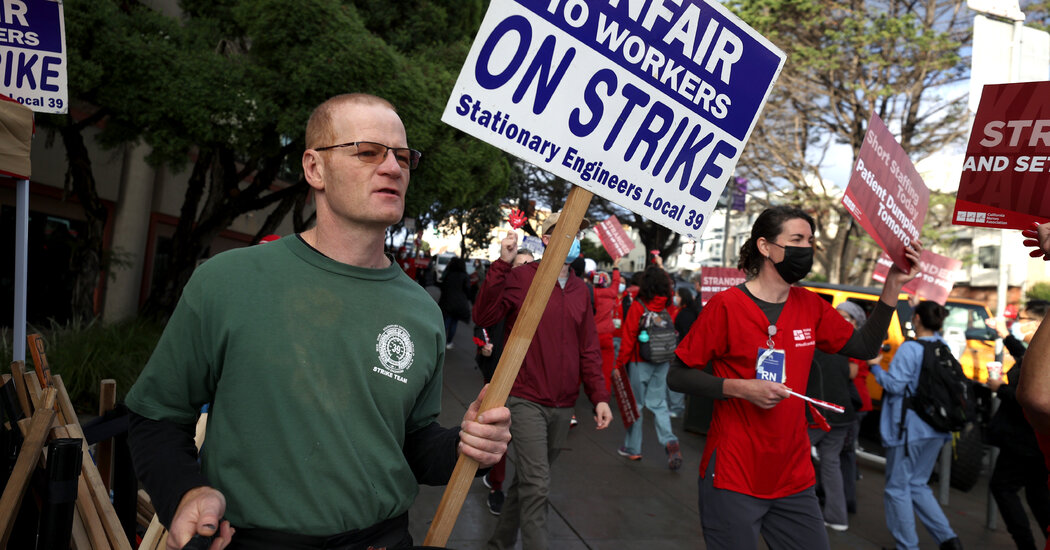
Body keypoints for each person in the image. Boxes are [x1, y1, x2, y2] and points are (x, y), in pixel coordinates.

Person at [124, 93, 511, 550]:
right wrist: (186, 494)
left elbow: (412, 445)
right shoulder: (227, 282)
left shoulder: (422, 311)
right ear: (314, 169)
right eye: (368, 151)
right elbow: (157, 415)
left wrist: (468, 447)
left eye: (403, 157)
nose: (393, 168)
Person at [668, 205, 921, 550]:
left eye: (811, 241)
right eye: (797, 239)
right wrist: (739, 388)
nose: (808, 248)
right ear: (765, 247)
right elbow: (678, 376)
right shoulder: (726, 306)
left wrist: (892, 285)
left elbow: (862, 346)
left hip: (794, 475)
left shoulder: (810, 304)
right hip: (734, 472)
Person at [473, 212, 613, 550]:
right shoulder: (522, 277)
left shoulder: (581, 290)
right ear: (548, 239)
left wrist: (599, 396)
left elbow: (589, 348)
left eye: (578, 234)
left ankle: (499, 543)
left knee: (528, 483)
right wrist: (501, 265)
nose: (575, 240)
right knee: (538, 486)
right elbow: (484, 316)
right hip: (525, 398)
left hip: (563, 406)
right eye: (568, 233)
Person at [870, 301, 963, 550]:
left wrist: (874, 367)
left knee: (897, 489)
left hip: (909, 429)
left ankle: (907, 547)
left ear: (917, 319)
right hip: (936, 427)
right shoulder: (943, 346)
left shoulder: (910, 348)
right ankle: (948, 539)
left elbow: (894, 386)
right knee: (918, 484)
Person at [474, 248, 534, 517]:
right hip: (498, 376)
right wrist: (484, 347)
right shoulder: (502, 300)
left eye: (530, 266)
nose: (524, 271)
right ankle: (496, 487)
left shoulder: (541, 302)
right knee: (498, 437)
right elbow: (482, 323)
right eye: (519, 266)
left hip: (529, 383)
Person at [986, 302, 1050, 550]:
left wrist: (1000, 388)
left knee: (1004, 487)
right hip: (1030, 443)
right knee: (1037, 494)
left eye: (1022, 318)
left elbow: (1033, 397)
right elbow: (1024, 356)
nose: (1017, 323)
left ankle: (1025, 544)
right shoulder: (1033, 352)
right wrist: (1004, 334)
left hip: (1024, 441)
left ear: (1038, 324)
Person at [804, 301, 865, 532]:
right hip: (842, 415)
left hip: (820, 416)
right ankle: (837, 517)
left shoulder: (811, 348)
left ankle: (795, 512)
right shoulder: (841, 348)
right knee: (830, 464)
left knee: (793, 458)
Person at [615, 264, 683, 469]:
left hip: (640, 361)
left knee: (636, 405)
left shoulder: (638, 306)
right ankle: (670, 441)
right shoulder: (668, 305)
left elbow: (628, 338)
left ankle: (633, 448)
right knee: (659, 404)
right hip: (662, 361)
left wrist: (619, 364)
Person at [669, 287, 700, 417]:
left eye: (677, 296)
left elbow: (686, 333)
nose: (675, 298)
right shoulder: (684, 311)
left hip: (681, 349)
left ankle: (677, 408)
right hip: (679, 348)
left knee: (677, 378)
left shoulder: (685, 314)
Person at [592, 259, 623, 390]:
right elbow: (616, 282)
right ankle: (603, 397)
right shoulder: (611, 293)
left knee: (586, 368)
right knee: (606, 370)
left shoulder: (591, 294)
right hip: (607, 337)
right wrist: (615, 267)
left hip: (591, 337)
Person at [439, 256, 472, 350]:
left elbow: (443, 286)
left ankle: (439, 341)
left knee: (446, 322)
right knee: (454, 323)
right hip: (459, 304)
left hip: (448, 302)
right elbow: (468, 290)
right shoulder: (465, 276)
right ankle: (449, 342)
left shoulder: (449, 274)